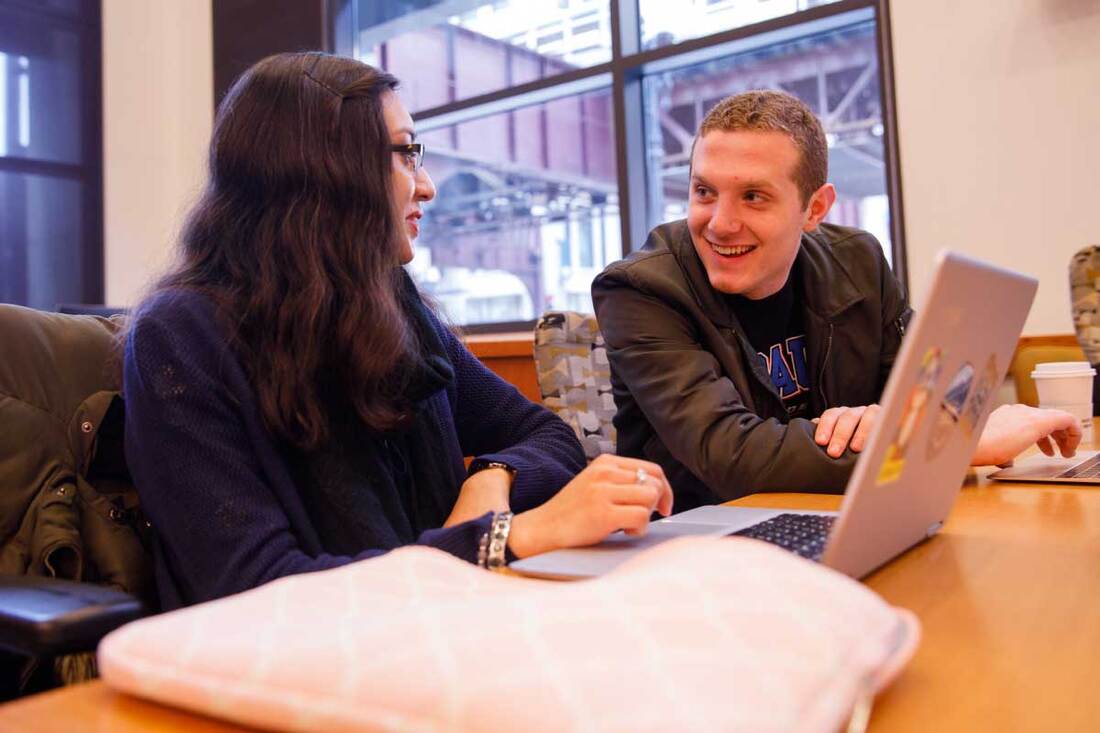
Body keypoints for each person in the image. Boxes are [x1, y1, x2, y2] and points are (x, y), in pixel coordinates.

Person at [122, 52, 672, 610]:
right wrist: (505, 538)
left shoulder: (389, 307)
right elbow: (256, 591)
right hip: (299, 672)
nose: (427, 185)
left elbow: (543, 435)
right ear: (325, 169)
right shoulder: (179, 337)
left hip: (437, 627)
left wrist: (492, 478)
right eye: (407, 154)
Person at [592, 89, 1079, 512]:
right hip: (702, 539)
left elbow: (917, 396)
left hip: (840, 511)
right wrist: (955, 443)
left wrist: (887, 422)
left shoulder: (858, 262)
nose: (719, 223)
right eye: (704, 191)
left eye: (754, 197)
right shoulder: (641, 290)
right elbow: (730, 454)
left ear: (815, 208)